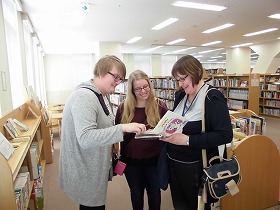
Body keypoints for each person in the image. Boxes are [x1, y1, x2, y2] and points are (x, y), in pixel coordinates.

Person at [59, 55, 146, 210]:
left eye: (121, 79)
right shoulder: (85, 97)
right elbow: (85, 138)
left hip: (93, 168)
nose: (118, 82)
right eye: (115, 76)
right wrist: (123, 128)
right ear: (100, 72)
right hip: (86, 171)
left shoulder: (101, 95)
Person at [161, 55, 233, 210]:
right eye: (177, 80)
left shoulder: (212, 97)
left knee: (197, 206)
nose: (180, 84)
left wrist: (187, 140)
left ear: (196, 72)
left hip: (195, 166)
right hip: (173, 161)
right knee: (179, 204)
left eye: (183, 79)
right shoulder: (181, 95)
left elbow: (225, 135)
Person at [115, 70, 168, 210]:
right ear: (131, 91)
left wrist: (159, 133)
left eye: (146, 86)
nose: (143, 91)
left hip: (155, 161)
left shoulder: (160, 106)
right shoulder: (123, 108)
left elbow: (169, 132)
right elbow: (117, 133)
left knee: (154, 194)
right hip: (132, 162)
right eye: (138, 88)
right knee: (136, 194)